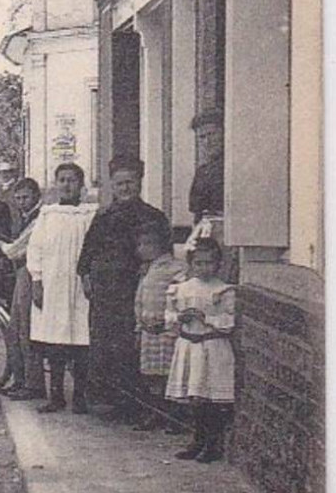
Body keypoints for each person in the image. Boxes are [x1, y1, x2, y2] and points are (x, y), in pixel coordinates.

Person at [77, 155, 170, 420]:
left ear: (139, 182)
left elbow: (163, 256)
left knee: (132, 345)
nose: (125, 188)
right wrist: (85, 276)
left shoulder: (152, 216)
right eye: (119, 184)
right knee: (105, 345)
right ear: (112, 186)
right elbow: (87, 252)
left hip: (136, 290)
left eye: (129, 182)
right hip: (105, 292)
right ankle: (109, 401)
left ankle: (136, 404)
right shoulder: (104, 216)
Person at [26, 162, 99, 413]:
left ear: (81, 184)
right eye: (62, 180)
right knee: (55, 342)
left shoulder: (91, 214)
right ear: (56, 184)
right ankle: (55, 396)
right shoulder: (48, 214)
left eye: (72, 180)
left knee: (81, 340)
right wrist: (37, 281)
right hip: (53, 285)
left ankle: (80, 396)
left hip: (82, 286)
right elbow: (35, 250)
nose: (67, 185)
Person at [164, 238, 236, 462]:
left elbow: (229, 320)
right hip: (190, 346)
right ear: (191, 264)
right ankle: (197, 440)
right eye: (199, 263)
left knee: (211, 398)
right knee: (195, 398)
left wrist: (207, 318)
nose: (204, 268)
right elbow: (168, 316)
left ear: (218, 264)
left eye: (209, 263)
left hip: (213, 347)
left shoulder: (222, 290)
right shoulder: (182, 289)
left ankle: (212, 444)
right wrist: (180, 317)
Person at [0, 177, 45, 400]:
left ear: (36, 196)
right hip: (22, 273)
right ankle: (21, 380)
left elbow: (16, 250)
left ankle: (33, 384)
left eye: (26, 197)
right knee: (15, 328)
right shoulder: (25, 217)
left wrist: (1, 247)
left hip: (31, 274)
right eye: (18, 198)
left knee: (25, 328)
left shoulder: (39, 219)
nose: (22, 202)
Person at [133, 219, 188, 432]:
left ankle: (174, 416)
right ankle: (155, 413)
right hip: (148, 331)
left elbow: (179, 298)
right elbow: (139, 299)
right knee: (151, 375)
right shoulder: (147, 270)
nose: (142, 249)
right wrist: (139, 327)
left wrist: (169, 322)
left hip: (166, 331)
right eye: (140, 245)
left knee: (169, 374)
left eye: (148, 244)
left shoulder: (176, 268)